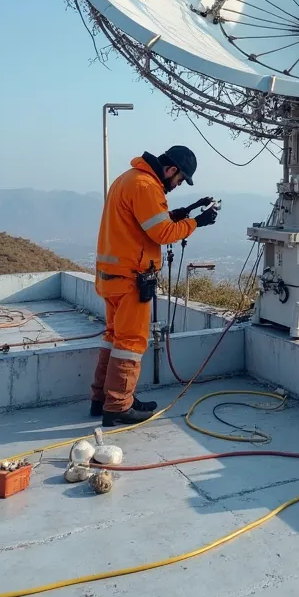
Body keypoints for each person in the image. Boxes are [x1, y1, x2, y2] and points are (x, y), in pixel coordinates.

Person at [90, 146, 218, 426]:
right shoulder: (147, 186)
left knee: (113, 337)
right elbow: (161, 233)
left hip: (110, 276)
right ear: (171, 170)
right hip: (131, 280)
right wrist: (197, 222)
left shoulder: (129, 178)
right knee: (130, 343)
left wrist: (184, 212)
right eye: (180, 179)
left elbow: (144, 223)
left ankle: (101, 398)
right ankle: (119, 405)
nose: (177, 185)